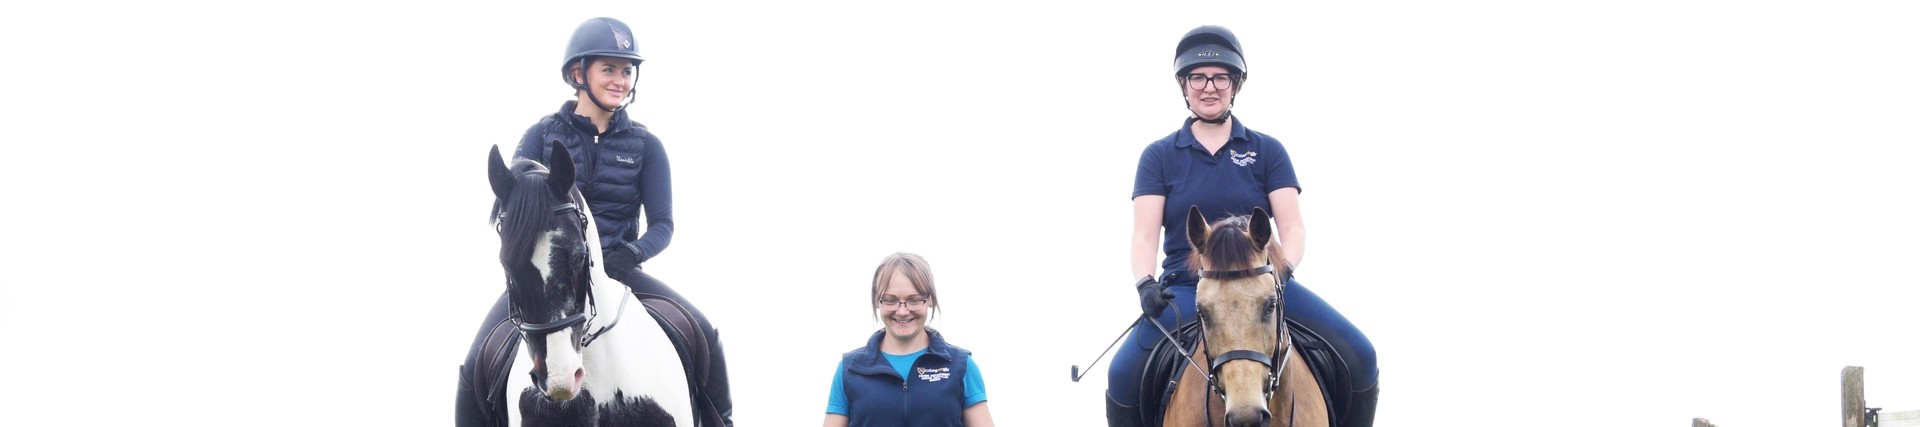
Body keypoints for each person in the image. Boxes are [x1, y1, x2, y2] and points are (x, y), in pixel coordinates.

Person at [455, 17, 732, 427]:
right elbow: (511, 205)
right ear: (577, 74)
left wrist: (630, 254)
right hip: (549, 281)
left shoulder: (646, 146)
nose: (620, 79)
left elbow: (663, 225)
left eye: (627, 70)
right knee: (474, 363)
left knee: (705, 335)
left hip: (618, 272)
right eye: (609, 69)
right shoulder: (542, 135)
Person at [1104, 25, 1379, 427]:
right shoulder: (1159, 156)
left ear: (1236, 85)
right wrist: (1145, 283)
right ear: (1184, 85)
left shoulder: (1267, 151)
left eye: (1220, 77)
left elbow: (1293, 229)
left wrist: (1280, 274)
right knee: (1122, 374)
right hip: (1188, 289)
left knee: (1361, 355)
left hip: (1265, 283)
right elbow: (1144, 235)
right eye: (1198, 77)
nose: (1209, 87)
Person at [824, 253, 995, 427]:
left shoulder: (961, 365)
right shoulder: (850, 369)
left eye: (914, 300)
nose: (902, 311)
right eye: (890, 300)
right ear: (877, 301)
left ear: (930, 300)